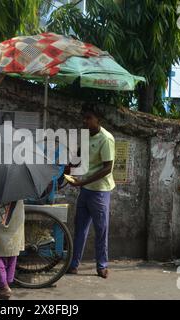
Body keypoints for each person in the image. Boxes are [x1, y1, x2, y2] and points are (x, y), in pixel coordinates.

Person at [66, 106, 115, 279]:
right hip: (85, 189)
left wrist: (83, 182)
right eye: (84, 118)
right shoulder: (87, 136)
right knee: (80, 228)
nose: (85, 121)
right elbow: (77, 156)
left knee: (101, 229)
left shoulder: (106, 139)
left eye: (89, 118)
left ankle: (102, 266)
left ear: (98, 119)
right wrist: (65, 169)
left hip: (100, 191)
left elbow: (107, 168)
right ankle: (73, 264)